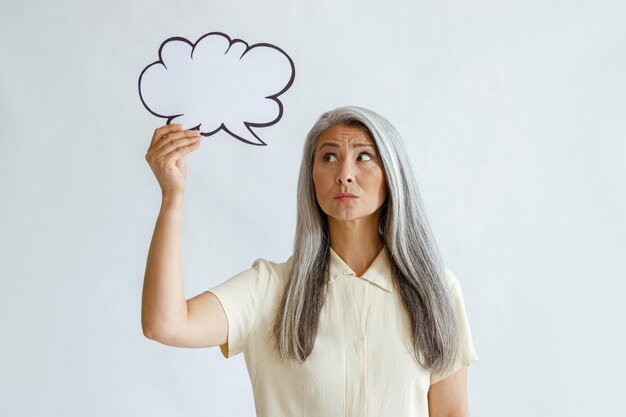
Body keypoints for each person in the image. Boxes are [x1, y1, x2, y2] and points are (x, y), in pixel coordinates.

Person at [142, 106, 478, 417]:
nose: (345, 174)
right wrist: (173, 196)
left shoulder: (436, 290)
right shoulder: (269, 289)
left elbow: (450, 414)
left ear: (392, 174)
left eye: (364, 157)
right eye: (329, 157)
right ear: (311, 175)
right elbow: (166, 324)